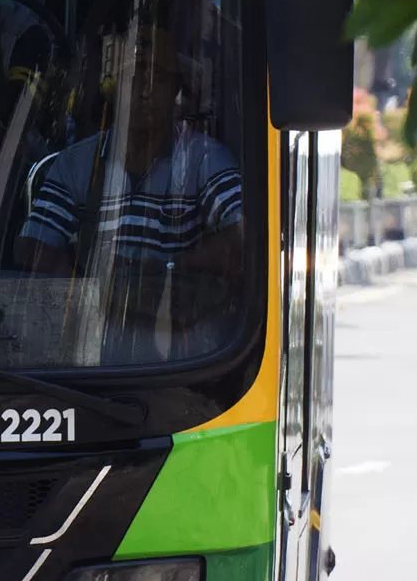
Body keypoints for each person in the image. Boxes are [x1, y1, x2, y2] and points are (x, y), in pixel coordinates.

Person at [13, 19, 246, 356]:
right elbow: (33, 246)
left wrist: (172, 267)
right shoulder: (76, 162)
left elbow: (244, 234)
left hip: (181, 347)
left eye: (158, 79)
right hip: (93, 341)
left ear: (175, 90)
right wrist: (89, 292)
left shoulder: (205, 158)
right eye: (132, 79)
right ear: (114, 89)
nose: (145, 90)